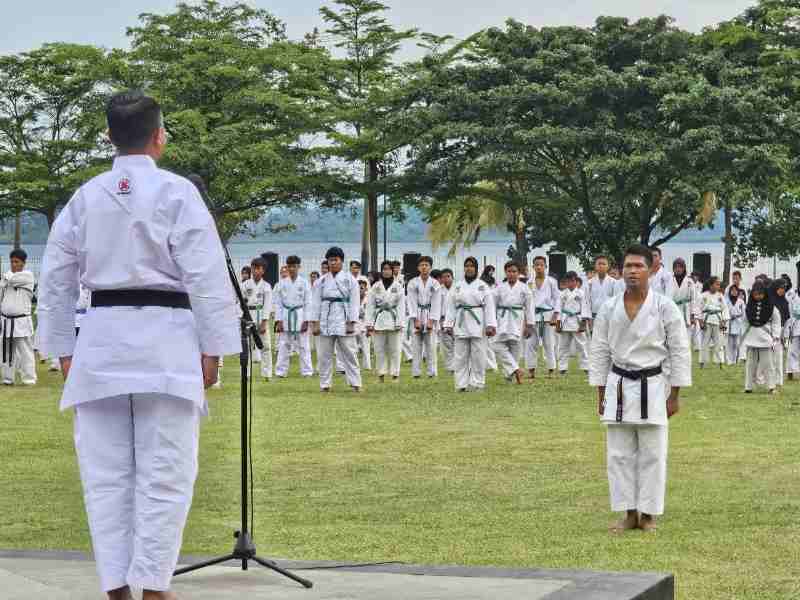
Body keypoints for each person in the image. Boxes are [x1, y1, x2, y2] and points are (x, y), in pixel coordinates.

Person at [36, 90, 239, 600]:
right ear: (159, 136)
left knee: (104, 478)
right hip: (167, 344)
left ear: (109, 137)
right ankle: (152, 585)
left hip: (101, 341)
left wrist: (62, 344)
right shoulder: (177, 193)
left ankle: (118, 587)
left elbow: (57, 277)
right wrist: (213, 346)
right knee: (165, 473)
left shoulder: (84, 197)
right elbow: (207, 275)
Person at [589, 244, 691, 534]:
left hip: (654, 386)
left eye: (638, 266)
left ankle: (647, 515)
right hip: (618, 385)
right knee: (619, 455)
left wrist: (675, 394)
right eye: (627, 266)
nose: (632, 271)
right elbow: (599, 352)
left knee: (653, 454)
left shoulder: (664, 306)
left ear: (652, 269)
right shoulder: (609, 308)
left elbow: (680, 351)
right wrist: (600, 394)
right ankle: (629, 513)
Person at [311, 247, 362, 392]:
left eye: (336, 260)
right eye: (330, 260)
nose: (333, 263)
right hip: (325, 319)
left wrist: (352, 322)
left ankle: (355, 383)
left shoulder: (350, 280)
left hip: (344, 318)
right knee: (323, 354)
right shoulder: (320, 281)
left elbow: (354, 302)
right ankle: (325, 384)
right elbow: (315, 303)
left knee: (349, 352)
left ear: (341, 261)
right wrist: (315, 323)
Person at [443, 257, 497, 391]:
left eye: (471, 266)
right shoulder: (457, 286)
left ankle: (477, 383)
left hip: (478, 322)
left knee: (478, 356)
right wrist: (448, 324)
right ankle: (461, 384)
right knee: (460, 356)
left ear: (476, 268)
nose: (469, 268)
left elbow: (489, 307)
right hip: (461, 322)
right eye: (466, 265)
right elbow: (450, 306)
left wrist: (490, 325)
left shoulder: (483, 286)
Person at [492, 261, 533, 384]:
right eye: (509, 271)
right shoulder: (499, 288)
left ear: (518, 273)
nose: (511, 274)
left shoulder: (524, 288)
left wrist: (529, 325)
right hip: (502, 318)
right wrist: (491, 322)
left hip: (517, 318)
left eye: (514, 271)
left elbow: (529, 307)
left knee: (515, 348)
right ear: (505, 272)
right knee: (496, 345)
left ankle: (509, 376)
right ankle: (516, 369)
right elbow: (492, 306)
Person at [1, 249, 37, 385]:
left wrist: (6, 277)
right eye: (11, 262)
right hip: (6, 320)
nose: (13, 264)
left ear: (23, 263)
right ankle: (7, 378)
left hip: (21, 321)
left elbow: (12, 279)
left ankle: (29, 379)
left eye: (16, 262)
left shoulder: (28, 276)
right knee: (6, 352)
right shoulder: (7, 278)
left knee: (25, 352)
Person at [366, 260, 406, 383]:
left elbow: (401, 305)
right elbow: (370, 306)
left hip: (394, 319)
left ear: (392, 271)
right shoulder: (375, 286)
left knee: (395, 348)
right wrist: (369, 323)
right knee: (379, 349)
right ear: (381, 271)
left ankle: (395, 375)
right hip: (379, 320)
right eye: (384, 269)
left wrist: (400, 322)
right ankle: (381, 375)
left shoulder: (398, 286)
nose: (386, 271)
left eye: (388, 269)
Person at [274, 256, 313, 378]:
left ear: (299, 267)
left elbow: (308, 303)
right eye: (289, 266)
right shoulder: (281, 284)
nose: (291, 269)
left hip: (300, 314)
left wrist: (306, 320)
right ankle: (280, 371)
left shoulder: (304, 283)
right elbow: (278, 303)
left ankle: (307, 371)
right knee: (284, 344)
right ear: (286, 267)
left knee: (304, 345)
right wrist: (278, 320)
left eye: (294, 266)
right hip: (286, 314)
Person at [741, 281, 781, 394]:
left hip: (766, 339)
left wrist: (776, 336)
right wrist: (744, 337)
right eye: (755, 294)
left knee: (768, 364)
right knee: (750, 365)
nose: (758, 296)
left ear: (765, 293)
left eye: (760, 294)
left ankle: (771, 386)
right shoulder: (748, 307)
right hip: (751, 338)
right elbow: (744, 322)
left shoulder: (771, 307)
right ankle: (748, 387)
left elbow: (776, 322)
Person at [406, 256, 442, 379]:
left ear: (430, 267)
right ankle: (416, 372)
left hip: (430, 313)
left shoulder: (435, 283)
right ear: (418, 267)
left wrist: (432, 320)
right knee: (416, 345)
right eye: (422, 265)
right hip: (417, 313)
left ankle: (432, 372)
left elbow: (437, 302)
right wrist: (415, 319)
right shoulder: (412, 283)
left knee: (431, 345)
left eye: (426, 265)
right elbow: (411, 301)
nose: (424, 267)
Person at [526, 256, 561, 379]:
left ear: (545, 266)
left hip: (548, 316)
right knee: (531, 343)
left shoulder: (552, 281)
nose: (539, 267)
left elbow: (557, 298)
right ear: (533, 267)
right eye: (536, 265)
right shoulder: (529, 282)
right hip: (533, 316)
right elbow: (527, 301)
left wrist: (556, 315)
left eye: (541, 265)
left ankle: (551, 370)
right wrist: (526, 319)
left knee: (549, 343)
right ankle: (531, 370)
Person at [241, 258, 273, 380]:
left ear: (263, 271)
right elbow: (239, 302)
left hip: (260, 316)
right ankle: (246, 374)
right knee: (247, 347)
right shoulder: (244, 285)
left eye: (259, 268)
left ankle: (267, 374)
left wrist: (264, 322)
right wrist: (243, 319)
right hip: (248, 315)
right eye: (254, 268)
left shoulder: (266, 286)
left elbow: (268, 305)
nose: (256, 271)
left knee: (266, 346)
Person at [556, 271, 590, 375]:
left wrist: (583, 323)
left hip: (577, 320)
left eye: (573, 280)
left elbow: (585, 308)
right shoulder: (562, 294)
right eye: (568, 281)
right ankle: (562, 368)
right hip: (565, 320)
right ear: (565, 282)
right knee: (563, 346)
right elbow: (558, 309)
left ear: (576, 281)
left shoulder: (581, 293)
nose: (571, 283)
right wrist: (558, 323)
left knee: (582, 345)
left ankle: (586, 367)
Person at [698, 277, 728, 368]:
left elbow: (725, 309)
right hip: (706, 320)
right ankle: (702, 363)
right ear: (711, 285)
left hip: (717, 320)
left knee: (719, 343)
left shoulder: (720, 296)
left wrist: (724, 321)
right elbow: (698, 309)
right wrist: (700, 322)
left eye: (719, 284)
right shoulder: (703, 295)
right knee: (704, 343)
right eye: (717, 284)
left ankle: (720, 363)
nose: (718, 286)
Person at [671, 258, 697, 350]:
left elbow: (694, 299)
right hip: (673, 309)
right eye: (676, 267)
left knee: (686, 336)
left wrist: (693, 314)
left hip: (686, 310)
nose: (678, 269)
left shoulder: (690, 282)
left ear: (684, 268)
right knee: (674, 335)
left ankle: (686, 355)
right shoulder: (669, 280)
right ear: (673, 268)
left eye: (680, 267)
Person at [587, 256, 616, 333]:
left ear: (608, 266)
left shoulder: (613, 282)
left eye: (604, 264)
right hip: (593, 314)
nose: (601, 266)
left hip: (609, 315)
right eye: (599, 264)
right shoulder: (589, 282)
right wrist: (587, 317)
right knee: (594, 337)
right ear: (595, 266)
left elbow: (617, 301)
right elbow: (587, 301)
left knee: (608, 337)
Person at [438, 268, 456, 372]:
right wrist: (440, 320)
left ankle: (459, 365)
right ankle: (450, 368)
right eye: (443, 277)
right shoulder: (439, 290)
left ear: (452, 277)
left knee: (458, 344)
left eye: (448, 276)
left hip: (457, 320)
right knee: (447, 345)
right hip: (443, 319)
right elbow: (436, 307)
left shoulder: (458, 288)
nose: (446, 279)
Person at [725, 285, 746, 366]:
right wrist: (729, 316)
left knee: (737, 344)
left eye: (735, 290)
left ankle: (736, 360)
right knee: (729, 343)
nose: (734, 292)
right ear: (730, 291)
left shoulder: (741, 301)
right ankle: (729, 360)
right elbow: (724, 311)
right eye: (732, 290)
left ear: (738, 292)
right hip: (729, 323)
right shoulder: (726, 301)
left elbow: (744, 314)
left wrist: (738, 317)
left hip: (738, 323)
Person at [356, 279, 372, 370]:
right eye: (358, 287)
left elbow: (370, 314)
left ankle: (367, 366)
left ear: (366, 288)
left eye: (362, 287)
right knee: (353, 347)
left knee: (366, 347)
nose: (360, 289)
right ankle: (355, 365)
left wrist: (370, 327)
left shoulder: (369, 299)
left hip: (365, 325)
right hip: (354, 324)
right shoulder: (352, 298)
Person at [786, 287, 800, 381]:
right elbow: (795, 311)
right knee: (792, 350)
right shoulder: (793, 297)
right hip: (795, 325)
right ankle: (790, 371)